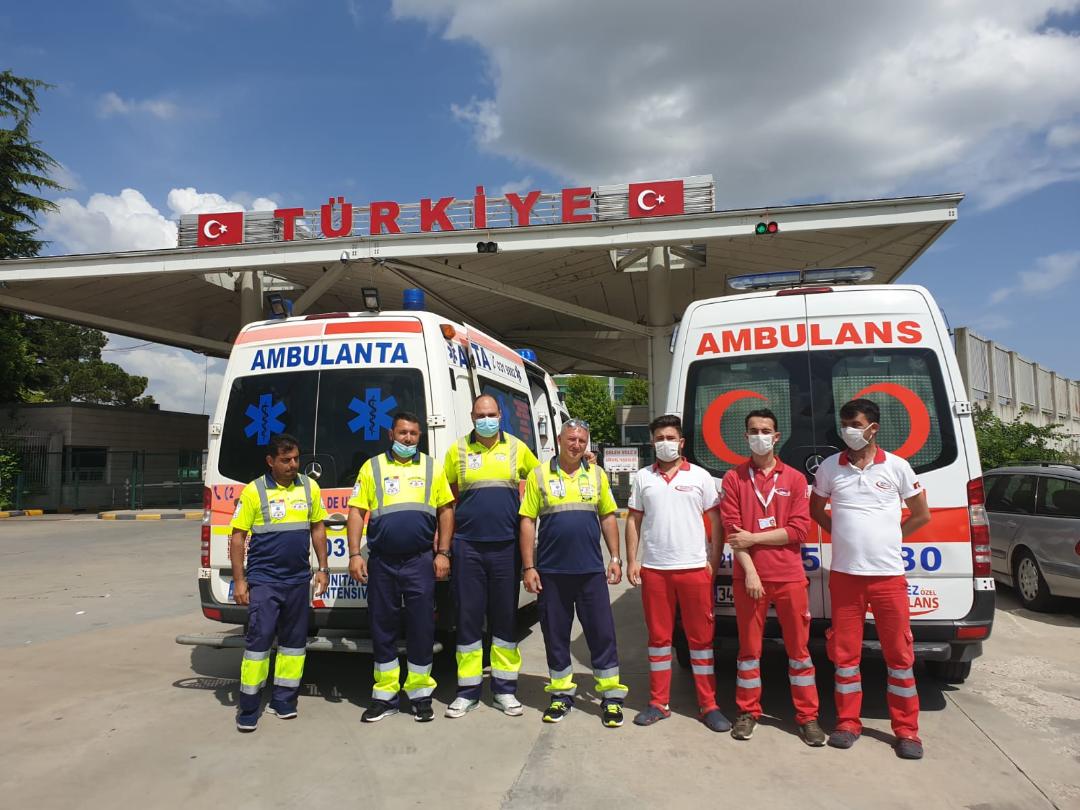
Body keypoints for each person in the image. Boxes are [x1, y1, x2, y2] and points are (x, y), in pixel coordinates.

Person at [809, 398, 930, 760]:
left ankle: (907, 731)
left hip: (888, 577)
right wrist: (842, 535)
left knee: (899, 655)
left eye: (855, 424)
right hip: (845, 576)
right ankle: (847, 724)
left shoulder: (897, 467)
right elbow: (817, 510)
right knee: (845, 655)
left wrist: (891, 538)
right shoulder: (830, 467)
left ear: (873, 428)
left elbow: (921, 514)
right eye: (845, 424)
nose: (848, 430)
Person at [721, 409, 824, 746]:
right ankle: (747, 712)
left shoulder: (794, 479)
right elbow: (733, 533)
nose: (759, 436)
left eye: (765, 430)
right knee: (748, 651)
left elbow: (798, 531)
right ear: (746, 436)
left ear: (776, 436)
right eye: (753, 431)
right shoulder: (734, 478)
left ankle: (808, 717)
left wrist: (754, 538)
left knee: (799, 651)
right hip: (749, 579)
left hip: (789, 576)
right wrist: (750, 572)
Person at [347, 411, 455, 723]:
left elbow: (446, 511)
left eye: (413, 434)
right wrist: (354, 554)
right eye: (403, 432)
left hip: (420, 560)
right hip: (382, 561)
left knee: (421, 627)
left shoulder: (431, 468)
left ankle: (420, 695)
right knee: (382, 627)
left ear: (419, 436)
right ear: (391, 434)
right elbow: (356, 512)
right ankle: (385, 696)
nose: (408, 438)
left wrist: (443, 553)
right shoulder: (372, 467)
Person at [519, 419, 628, 728]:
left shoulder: (596, 474)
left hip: (590, 572)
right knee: (555, 636)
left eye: (582, 440)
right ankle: (561, 695)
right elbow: (527, 521)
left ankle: (611, 697)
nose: (576, 444)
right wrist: (529, 567)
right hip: (551, 573)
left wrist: (615, 558)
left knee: (602, 635)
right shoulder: (539, 475)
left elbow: (608, 516)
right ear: (559, 439)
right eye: (571, 439)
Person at [625, 414, 730, 732]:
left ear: (681, 442)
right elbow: (633, 520)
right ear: (652, 442)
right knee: (659, 640)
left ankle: (709, 705)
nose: (665, 443)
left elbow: (716, 522)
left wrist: (713, 560)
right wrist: (632, 560)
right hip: (656, 570)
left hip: (694, 569)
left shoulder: (701, 476)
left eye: (670, 438)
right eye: (659, 438)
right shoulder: (643, 477)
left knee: (701, 640)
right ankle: (659, 703)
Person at [442, 394, 539, 719]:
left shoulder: (516, 448)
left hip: (506, 548)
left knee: (505, 619)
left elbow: (543, 477)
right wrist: (444, 547)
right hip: (467, 547)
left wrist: (583, 462)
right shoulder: (457, 450)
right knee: (468, 619)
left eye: (491, 414)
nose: (486, 420)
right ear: (472, 417)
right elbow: (445, 498)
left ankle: (504, 691)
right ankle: (467, 692)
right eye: (480, 415)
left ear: (500, 416)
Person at [230, 433, 329, 732]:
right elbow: (237, 538)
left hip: (298, 580)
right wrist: (239, 581)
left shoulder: (309, 487)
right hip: (265, 581)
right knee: (259, 643)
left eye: (296, 459)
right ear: (270, 461)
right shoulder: (254, 491)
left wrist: (323, 568)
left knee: (294, 645)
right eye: (286, 460)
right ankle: (249, 707)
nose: (293, 465)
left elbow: (318, 529)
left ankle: (284, 701)